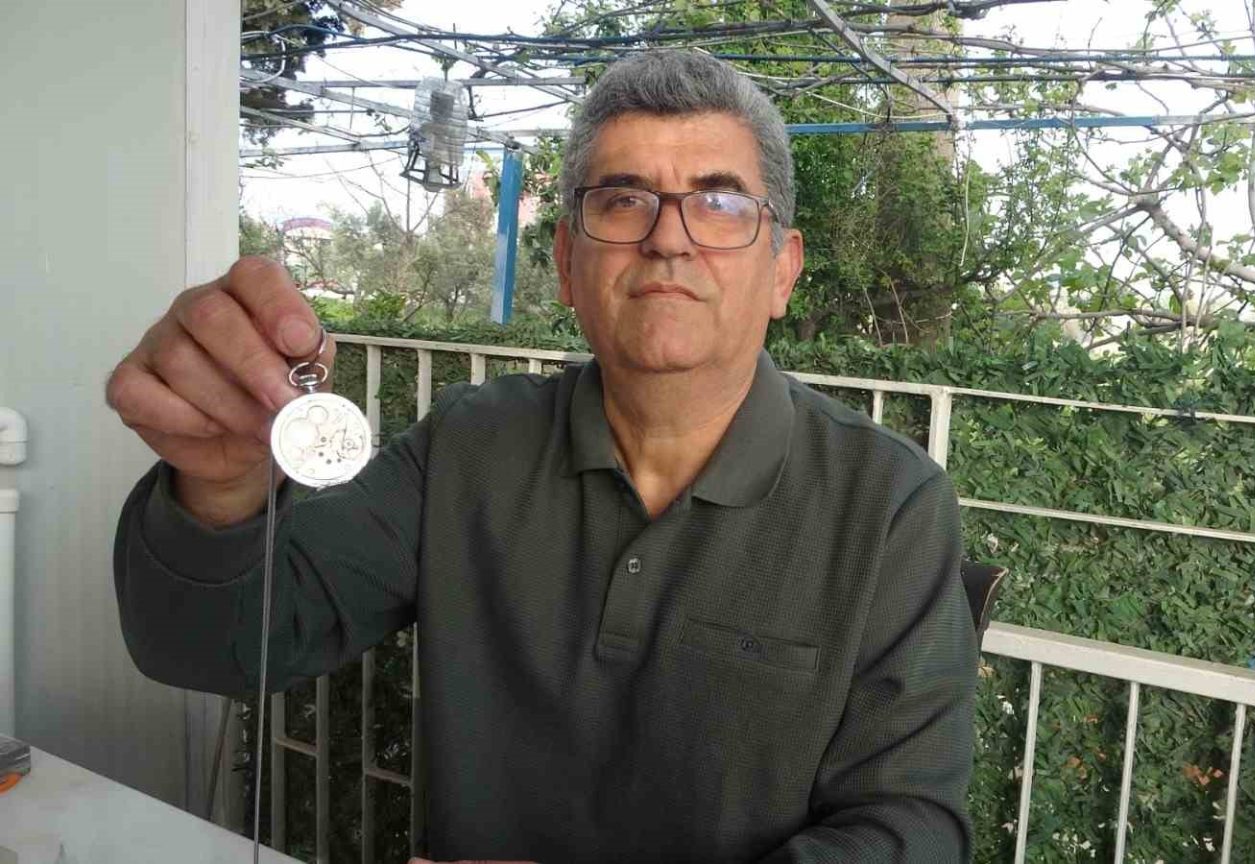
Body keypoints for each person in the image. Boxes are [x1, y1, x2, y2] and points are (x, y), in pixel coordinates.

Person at [108, 50, 976, 863]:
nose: (668, 240)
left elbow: (912, 828)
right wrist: (221, 482)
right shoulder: (467, 446)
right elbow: (212, 648)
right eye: (624, 200)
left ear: (782, 269)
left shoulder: (889, 504)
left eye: (719, 205)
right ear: (565, 261)